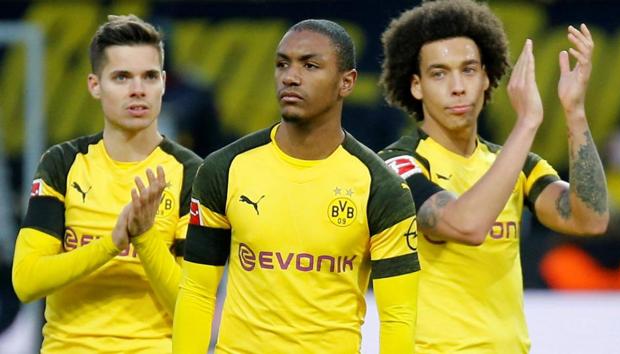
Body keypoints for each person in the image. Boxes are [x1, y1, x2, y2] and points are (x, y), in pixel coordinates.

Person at [172, 19, 425, 354]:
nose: (290, 77)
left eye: (310, 65)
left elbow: (398, 316)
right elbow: (197, 292)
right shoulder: (224, 169)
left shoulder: (381, 188)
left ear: (346, 82)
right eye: (282, 64)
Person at [378, 0, 609, 352]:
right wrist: (528, 122)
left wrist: (575, 112)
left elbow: (589, 220)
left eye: (469, 70)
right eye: (439, 73)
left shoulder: (519, 164)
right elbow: (466, 225)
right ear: (416, 86)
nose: (458, 87)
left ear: (487, 77)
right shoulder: (396, 165)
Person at [12, 15, 202, 353]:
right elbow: (27, 281)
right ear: (95, 85)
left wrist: (144, 238)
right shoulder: (63, 164)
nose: (138, 90)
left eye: (149, 76)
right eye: (122, 77)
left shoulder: (190, 173)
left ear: (163, 83)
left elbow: (193, 306)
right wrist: (111, 244)